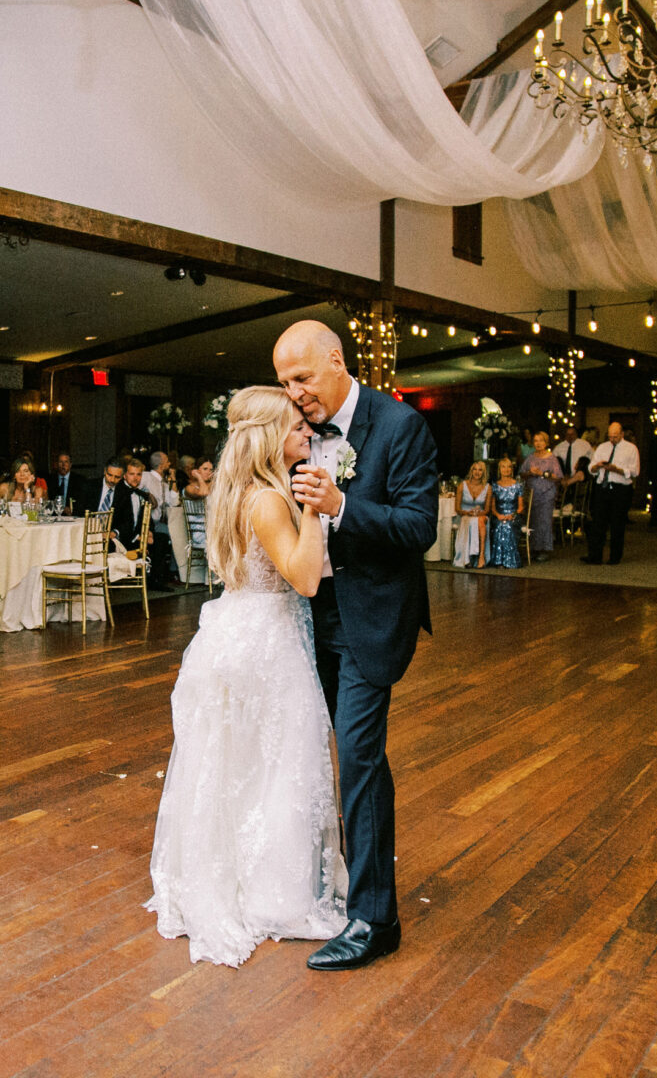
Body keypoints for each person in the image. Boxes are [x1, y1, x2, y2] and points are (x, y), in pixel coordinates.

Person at [147, 386, 347, 967]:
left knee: (239, 766)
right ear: (268, 437)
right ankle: (273, 892)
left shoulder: (239, 491)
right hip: (267, 641)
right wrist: (315, 504)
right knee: (280, 763)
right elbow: (306, 579)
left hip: (233, 630)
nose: (308, 435)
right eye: (296, 429)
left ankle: (236, 871)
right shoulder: (269, 500)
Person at [272, 319, 438, 971]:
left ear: (337, 362)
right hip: (310, 614)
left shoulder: (399, 428)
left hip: (371, 616)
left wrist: (342, 505)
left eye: (303, 378)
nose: (295, 393)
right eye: (286, 382)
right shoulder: (297, 427)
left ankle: (375, 919)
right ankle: (339, 887)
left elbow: (419, 527)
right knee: (334, 754)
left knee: (360, 754)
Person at [582, 422, 640, 565]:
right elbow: (591, 467)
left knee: (617, 523)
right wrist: (597, 466)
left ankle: (615, 557)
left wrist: (617, 469)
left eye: (615, 436)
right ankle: (595, 556)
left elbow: (635, 471)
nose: (612, 439)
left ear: (621, 434)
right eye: (610, 436)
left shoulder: (631, 449)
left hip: (620, 489)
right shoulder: (603, 447)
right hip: (602, 487)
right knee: (598, 523)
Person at [518, 433, 564, 562]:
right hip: (532, 493)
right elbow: (521, 473)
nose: (538, 443)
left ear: (546, 442)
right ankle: (533, 548)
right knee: (532, 520)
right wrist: (529, 473)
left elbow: (558, 476)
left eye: (541, 441)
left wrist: (542, 473)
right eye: (535, 441)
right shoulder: (530, 458)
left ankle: (544, 549)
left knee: (544, 521)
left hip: (546, 493)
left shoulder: (552, 458)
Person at [142, 452, 180, 588]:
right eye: (168, 462)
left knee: (177, 534)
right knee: (173, 534)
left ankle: (172, 571)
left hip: (159, 522)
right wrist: (147, 495)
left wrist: (173, 479)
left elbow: (174, 502)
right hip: (148, 522)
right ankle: (172, 571)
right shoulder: (145, 476)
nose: (170, 464)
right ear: (162, 464)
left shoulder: (163, 483)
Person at [488, 456, 526, 569]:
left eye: (509, 467)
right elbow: (493, 508)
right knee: (501, 524)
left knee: (507, 525)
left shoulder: (518, 485)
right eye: (503, 467)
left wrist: (511, 515)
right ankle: (498, 561)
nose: (506, 469)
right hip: (498, 515)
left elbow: (521, 508)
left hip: (514, 515)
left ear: (512, 469)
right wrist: (499, 515)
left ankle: (510, 560)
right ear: (499, 469)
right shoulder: (495, 486)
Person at [452, 460, 490, 569]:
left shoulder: (488, 487)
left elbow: (487, 510)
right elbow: (457, 508)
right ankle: (472, 558)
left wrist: (478, 513)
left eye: (480, 470)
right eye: (475, 469)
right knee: (473, 520)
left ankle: (480, 556)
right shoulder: (462, 485)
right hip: (464, 515)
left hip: (481, 515)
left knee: (478, 520)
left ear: (483, 472)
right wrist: (467, 512)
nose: (477, 472)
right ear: (471, 471)